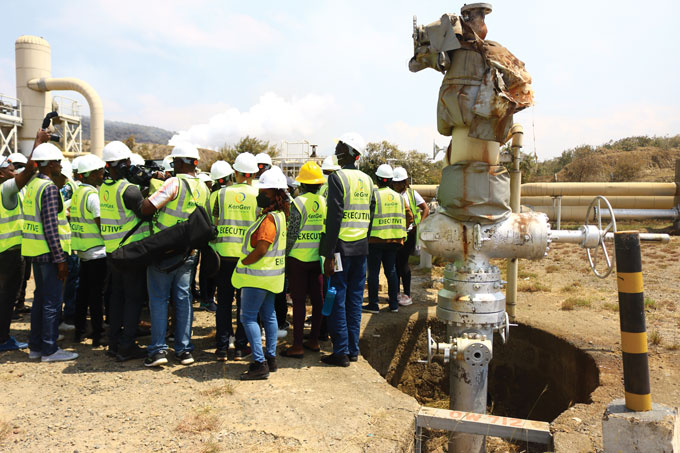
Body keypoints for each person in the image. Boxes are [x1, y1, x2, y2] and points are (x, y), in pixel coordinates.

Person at [140, 143, 210, 367]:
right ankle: (184, 350)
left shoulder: (173, 183)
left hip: (164, 250)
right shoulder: (203, 188)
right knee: (183, 299)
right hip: (188, 252)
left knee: (159, 300)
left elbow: (147, 208)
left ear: (179, 163)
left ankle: (159, 350)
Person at [321, 132, 375, 367]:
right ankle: (353, 349)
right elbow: (370, 216)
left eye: (340, 147)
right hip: (361, 248)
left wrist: (328, 254)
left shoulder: (337, 179)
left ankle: (341, 351)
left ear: (351, 153)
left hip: (341, 249)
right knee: (354, 301)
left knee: (338, 298)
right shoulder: (368, 180)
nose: (337, 151)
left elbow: (334, 218)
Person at [21, 142, 78, 362]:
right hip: (49, 253)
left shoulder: (33, 185)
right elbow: (51, 227)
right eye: (58, 162)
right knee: (52, 302)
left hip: (35, 251)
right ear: (51, 164)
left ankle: (36, 347)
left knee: (39, 300)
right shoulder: (49, 188)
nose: (60, 166)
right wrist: (60, 259)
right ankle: (50, 349)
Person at [232, 166, 288, 380]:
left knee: (247, 317)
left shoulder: (269, 220)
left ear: (275, 194)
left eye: (263, 193)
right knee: (269, 315)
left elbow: (262, 248)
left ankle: (259, 362)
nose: (259, 196)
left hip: (257, 277)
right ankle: (270, 358)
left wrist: (245, 260)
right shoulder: (280, 216)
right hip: (272, 277)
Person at [100, 141, 151, 362]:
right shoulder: (127, 190)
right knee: (133, 299)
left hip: (112, 251)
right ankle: (127, 345)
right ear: (121, 165)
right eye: (127, 162)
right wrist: (147, 186)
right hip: (130, 253)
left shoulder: (104, 188)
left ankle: (114, 343)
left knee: (117, 298)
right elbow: (146, 212)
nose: (130, 165)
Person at [211, 154, 258, 362]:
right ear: (254, 174)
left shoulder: (220, 195)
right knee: (244, 305)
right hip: (247, 258)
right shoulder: (258, 194)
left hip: (223, 257)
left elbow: (212, 223)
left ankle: (221, 348)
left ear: (235, 173)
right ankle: (240, 348)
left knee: (223, 302)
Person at [0, 132, 41, 352]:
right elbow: (31, 169)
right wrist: (37, 143)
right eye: (9, 168)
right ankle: (3, 339)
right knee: (7, 297)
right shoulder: (5, 189)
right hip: (9, 252)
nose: (13, 171)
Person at [281, 161, 327, 358]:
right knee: (318, 300)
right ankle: (314, 340)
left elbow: (292, 233)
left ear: (302, 184)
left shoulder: (298, 203)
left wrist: (284, 256)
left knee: (299, 302)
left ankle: (298, 345)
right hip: (318, 260)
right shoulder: (324, 202)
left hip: (298, 259)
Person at [70, 154, 107, 347]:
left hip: (83, 252)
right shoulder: (93, 196)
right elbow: (102, 225)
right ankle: (98, 335)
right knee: (96, 295)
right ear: (91, 174)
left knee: (83, 293)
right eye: (100, 172)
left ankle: (79, 331)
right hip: (97, 252)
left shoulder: (78, 194)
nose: (103, 175)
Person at [363, 164, 407, 314]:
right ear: (390, 180)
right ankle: (394, 304)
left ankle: (373, 305)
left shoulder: (374, 196)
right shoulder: (399, 198)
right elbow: (410, 216)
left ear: (377, 179)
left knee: (374, 273)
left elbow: (367, 217)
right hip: (394, 240)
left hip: (375, 240)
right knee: (392, 271)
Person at [391, 167, 430, 306]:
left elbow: (425, 208)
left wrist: (419, 225)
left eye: (399, 182)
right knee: (394, 264)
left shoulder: (412, 194)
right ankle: (395, 293)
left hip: (408, 234)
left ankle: (406, 293)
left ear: (405, 182)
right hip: (394, 234)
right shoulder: (391, 194)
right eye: (394, 182)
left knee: (403, 264)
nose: (396, 185)